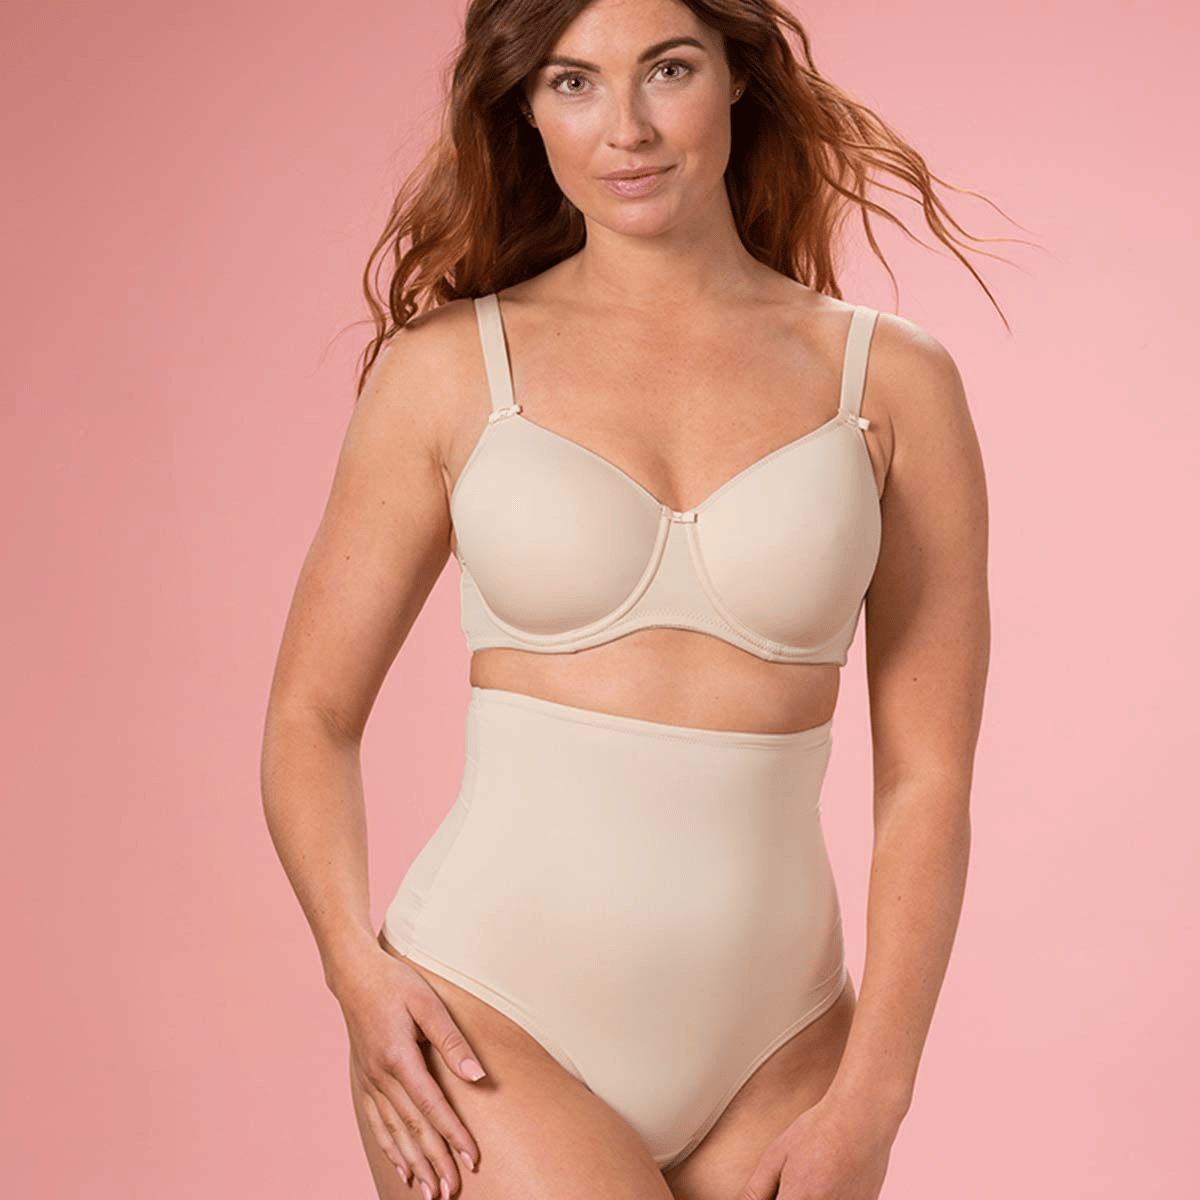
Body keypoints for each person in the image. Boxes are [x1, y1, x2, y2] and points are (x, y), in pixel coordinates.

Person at [261, 1, 1001, 1197]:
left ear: (737, 78)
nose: (628, 129)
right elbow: (310, 716)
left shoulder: (891, 380)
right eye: (573, 82)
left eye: (667, 70)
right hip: (490, 1014)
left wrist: (874, 1094)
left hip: (786, 1045)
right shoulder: (452, 369)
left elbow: (928, 780)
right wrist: (356, 971)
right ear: (526, 108)